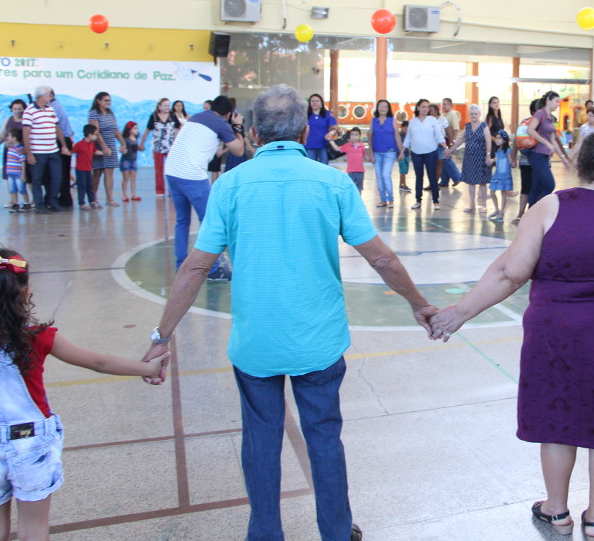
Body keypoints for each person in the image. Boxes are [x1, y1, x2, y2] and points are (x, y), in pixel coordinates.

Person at [140, 85, 436, 541]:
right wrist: (419, 303)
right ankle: (336, 531)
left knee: (260, 440)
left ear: (254, 134)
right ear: (302, 133)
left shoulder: (230, 185)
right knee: (323, 437)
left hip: (256, 344)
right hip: (318, 342)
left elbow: (196, 266)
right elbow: (381, 258)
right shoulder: (332, 183)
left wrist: (162, 337)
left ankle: (265, 533)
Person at [429, 130, 594, 538]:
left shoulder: (552, 206)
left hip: (560, 338)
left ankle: (557, 511)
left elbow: (510, 273)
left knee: (560, 420)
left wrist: (459, 313)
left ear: (580, 166)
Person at [0, 248, 167, 541]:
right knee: (33, 529)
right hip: (31, 442)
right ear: (25, 292)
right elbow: (98, 362)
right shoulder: (37, 336)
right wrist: (148, 368)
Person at [164, 95, 244, 279]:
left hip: (173, 170)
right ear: (229, 113)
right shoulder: (221, 123)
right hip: (192, 175)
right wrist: (238, 127)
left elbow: (216, 151)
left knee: (182, 221)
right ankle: (213, 269)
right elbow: (239, 150)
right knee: (209, 221)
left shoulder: (197, 117)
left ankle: (181, 264)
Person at [22, 86, 70, 213]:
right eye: (49, 94)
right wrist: (29, 154)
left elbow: (57, 127)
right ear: (42, 96)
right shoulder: (29, 111)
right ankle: (39, 205)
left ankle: (52, 201)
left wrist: (63, 145)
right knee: (37, 179)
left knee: (57, 177)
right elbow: (26, 132)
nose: (51, 97)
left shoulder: (50, 109)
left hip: (53, 150)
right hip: (38, 151)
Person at [526, 91, 571, 207]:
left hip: (545, 156)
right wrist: (547, 143)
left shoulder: (550, 118)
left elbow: (553, 141)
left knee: (536, 187)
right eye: (556, 101)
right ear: (548, 101)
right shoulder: (540, 113)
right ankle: (541, 209)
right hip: (537, 155)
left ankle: (532, 212)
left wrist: (563, 158)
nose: (558, 104)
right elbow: (530, 130)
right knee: (550, 184)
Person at [446, 103, 491, 213]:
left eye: (476, 113)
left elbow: (488, 141)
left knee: (482, 182)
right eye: (472, 114)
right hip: (469, 158)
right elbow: (461, 140)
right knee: (471, 182)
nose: (474, 115)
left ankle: (484, 205)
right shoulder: (467, 126)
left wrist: (488, 155)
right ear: (469, 115)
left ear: (479, 114)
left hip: (481, 157)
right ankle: (472, 205)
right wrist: (451, 150)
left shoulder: (484, 126)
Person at [403, 99, 445, 210]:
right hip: (416, 153)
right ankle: (418, 200)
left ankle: (435, 201)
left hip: (431, 152)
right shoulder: (412, 122)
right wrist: (402, 151)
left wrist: (446, 148)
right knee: (419, 177)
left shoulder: (432, 120)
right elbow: (408, 138)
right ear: (418, 108)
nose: (425, 109)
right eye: (423, 107)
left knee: (432, 176)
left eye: (427, 107)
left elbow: (438, 135)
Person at [88, 92, 126, 207]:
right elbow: (95, 131)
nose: (108, 102)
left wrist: (123, 143)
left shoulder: (110, 113)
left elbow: (115, 129)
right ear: (98, 101)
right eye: (105, 100)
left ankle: (109, 198)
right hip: (99, 146)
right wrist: (104, 147)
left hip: (111, 145)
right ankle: (93, 198)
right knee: (97, 172)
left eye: (109, 100)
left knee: (109, 172)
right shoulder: (94, 113)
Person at [139, 98, 181, 197]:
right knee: (159, 170)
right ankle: (160, 191)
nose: (167, 107)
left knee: (171, 169)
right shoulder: (153, 116)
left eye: (168, 105)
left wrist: (177, 140)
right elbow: (147, 131)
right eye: (165, 105)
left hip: (170, 147)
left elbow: (179, 127)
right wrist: (142, 143)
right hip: (157, 147)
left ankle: (172, 191)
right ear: (159, 106)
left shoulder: (172, 116)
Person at [367, 99, 403, 208]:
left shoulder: (392, 120)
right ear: (377, 108)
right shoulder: (373, 121)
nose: (383, 108)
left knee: (385, 174)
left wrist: (401, 151)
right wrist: (370, 153)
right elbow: (370, 138)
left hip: (390, 152)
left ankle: (390, 199)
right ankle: (383, 199)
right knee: (379, 176)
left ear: (388, 109)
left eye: (385, 106)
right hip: (376, 153)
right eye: (380, 106)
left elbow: (397, 136)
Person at [0, 100, 31, 210]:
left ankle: (29, 201)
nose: (17, 111)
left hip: (22, 152)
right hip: (10, 152)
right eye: (15, 109)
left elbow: (31, 136)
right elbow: (2, 136)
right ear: (11, 109)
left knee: (27, 177)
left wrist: (26, 147)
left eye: (19, 108)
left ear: (24, 109)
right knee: (10, 176)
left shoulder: (27, 120)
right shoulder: (8, 120)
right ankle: (13, 200)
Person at [512, 99, 540, 225]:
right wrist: (513, 157)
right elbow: (516, 141)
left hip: (538, 161)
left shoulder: (544, 122)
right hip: (527, 161)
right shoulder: (525, 123)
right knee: (526, 188)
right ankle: (521, 214)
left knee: (535, 188)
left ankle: (531, 214)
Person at [72, 124, 103, 210]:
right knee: (82, 186)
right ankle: (82, 203)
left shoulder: (92, 144)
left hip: (88, 168)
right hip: (80, 169)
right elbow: (72, 151)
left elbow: (95, 151)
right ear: (89, 135)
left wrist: (104, 153)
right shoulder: (80, 144)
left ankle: (92, 201)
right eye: (95, 134)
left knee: (90, 185)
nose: (96, 136)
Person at [330, 127, 370, 193]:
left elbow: (365, 156)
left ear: (359, 136)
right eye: (352, 134)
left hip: (360, 171)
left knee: (359, 188)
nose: (354, 137)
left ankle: (358, 199)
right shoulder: (347, 146)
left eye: (356, 135)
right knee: (350, 188)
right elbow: (337, 149)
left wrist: (371, 158)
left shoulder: (362, 146)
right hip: (351, 171)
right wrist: (331, 141)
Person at [303, 94, 337, 164]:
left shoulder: (327, 114)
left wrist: (331, 133)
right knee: (311, 166)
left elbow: (335, 128)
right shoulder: (305, 115)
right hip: (309, 145)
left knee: (324, 166)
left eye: (317, 101)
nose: (314, 103)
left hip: (324, 145)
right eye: (312, 101)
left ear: (321, 103)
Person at [488, 130, 513, 221]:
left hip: (504, 174)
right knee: (492, 191)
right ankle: (497, 210)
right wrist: (491, 160)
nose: (497, 140)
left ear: (504, 140)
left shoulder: (507, 150)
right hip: (497, 174)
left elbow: (510, 161)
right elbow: (495, 159)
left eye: (499, 138)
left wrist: (512, 164)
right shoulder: (498, 150)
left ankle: (501, 212)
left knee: (503, 193)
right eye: (496, 138)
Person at [438, 98, 463, 188]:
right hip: (445, 140)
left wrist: (453, 142)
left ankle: (457, 177)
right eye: (443, 104)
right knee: (444, 159)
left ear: (450, 105)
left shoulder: (453, 114)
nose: (443, 106)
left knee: (446, 159)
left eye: (445, 104)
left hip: (449, 140)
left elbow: (455, 129)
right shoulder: (444, 115)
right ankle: (444, 181)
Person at [2, 129, 27, 212]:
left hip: (18, 173)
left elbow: (23, 162)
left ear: (15, 138)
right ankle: (15, 204)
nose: (7, 137)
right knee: (12, 189)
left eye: (9, 136)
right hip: (10, 173)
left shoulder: (20, 149)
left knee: (21, 189)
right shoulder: (11, 147)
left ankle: (26, 203)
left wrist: (23, 174)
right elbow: (6, 142)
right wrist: (8, 141)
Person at [120, 121, 140, 202]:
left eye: (137, 128)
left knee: (133, 178)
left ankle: (133, 194)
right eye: (134, 128)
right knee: (126, 178)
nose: (137, 130)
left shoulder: (136, 139)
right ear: (129, 130)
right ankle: (124, 195)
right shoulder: (125, 140)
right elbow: (121, 148)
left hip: (133, 160)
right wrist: (122, 150)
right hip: (126, 160)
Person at [397, 120, 411, 194]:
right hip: (400, 155)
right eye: (405, 129)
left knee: (404, 170)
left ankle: (401, 184)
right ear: (401, 127)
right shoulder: (398, 136)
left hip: (407, 154)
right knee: (403, 169)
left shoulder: (408, 136)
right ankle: (404, 185)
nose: (407, 131)